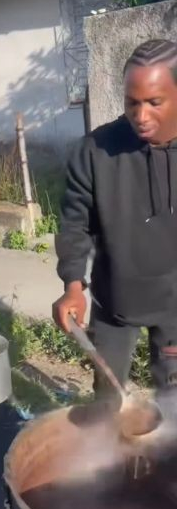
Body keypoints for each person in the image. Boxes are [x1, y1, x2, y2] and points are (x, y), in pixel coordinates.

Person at [55, 39, 177, 396]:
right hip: (115, 301)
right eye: (131, 103)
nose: (141, 116)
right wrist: (72, 285)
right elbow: (75, 222)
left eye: (155, 102)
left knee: (172, 402)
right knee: (107, 401)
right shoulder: (95, 151)